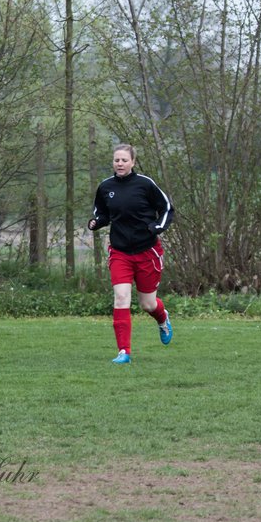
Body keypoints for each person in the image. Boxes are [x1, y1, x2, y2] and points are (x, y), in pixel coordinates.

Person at [88, 143, 174, 364]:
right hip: (120, 252)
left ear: (133, 162)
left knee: (148, 304)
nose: (120, 163)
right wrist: (96, 222)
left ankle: (163, 318)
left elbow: (166, 209)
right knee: (121, 298)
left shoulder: (145, 184)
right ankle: (124, 352)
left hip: (147, 252)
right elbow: (103, 213)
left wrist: (157, 227)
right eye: (116, 160)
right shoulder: (106, 187)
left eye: (124, 160)